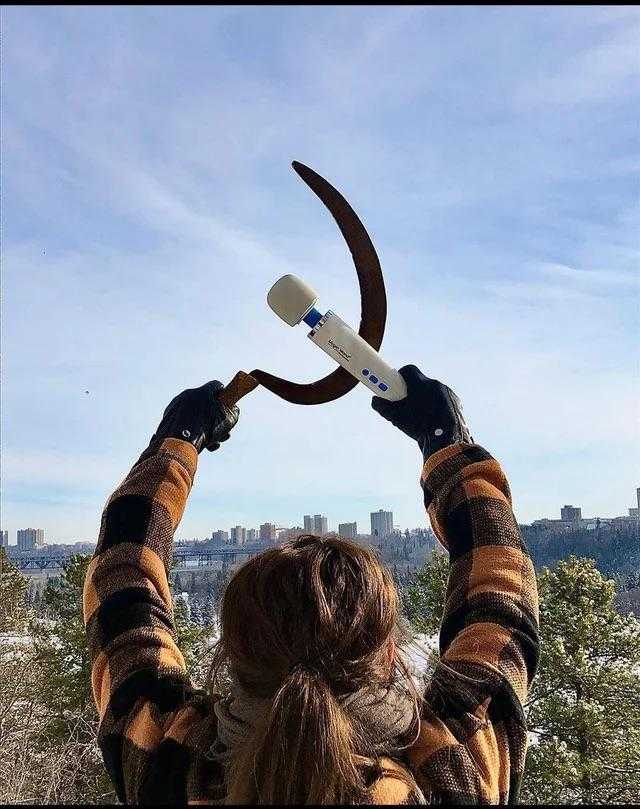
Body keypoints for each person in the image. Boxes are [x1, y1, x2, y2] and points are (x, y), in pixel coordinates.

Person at [83, 366, 539, 804]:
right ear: (387, 654)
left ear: (235, 653)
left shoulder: (167, 767)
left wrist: (177, 441)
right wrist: (447, 441)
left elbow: (126, 575)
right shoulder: (452, 773)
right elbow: (498, 592)